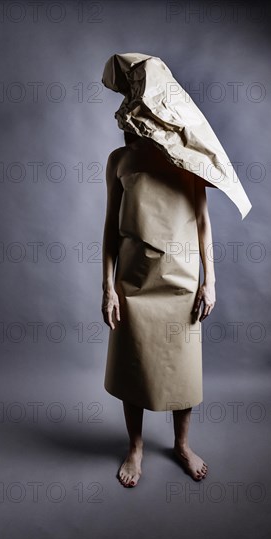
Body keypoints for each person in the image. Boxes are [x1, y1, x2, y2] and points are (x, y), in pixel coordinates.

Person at [101, 129, 216, 488]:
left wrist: (210, 280)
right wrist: (108, 286)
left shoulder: (188, 156)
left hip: (181, 278)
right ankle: (135, 448)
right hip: (133, 280)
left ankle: (181, 445)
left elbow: (201, 221)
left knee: (183, 364)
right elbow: (110, 228)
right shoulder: (119, 160)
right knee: (133, 362)